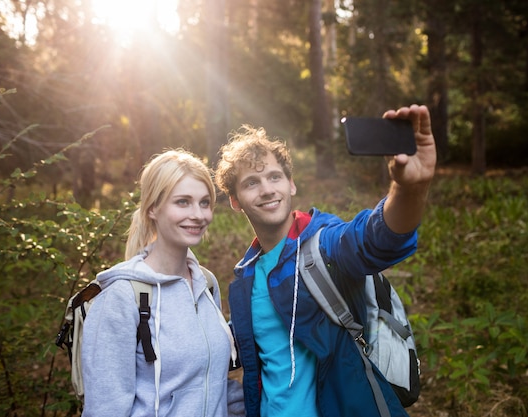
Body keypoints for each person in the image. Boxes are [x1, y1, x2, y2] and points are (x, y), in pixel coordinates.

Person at [214, 104, 436, 417]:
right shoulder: (245, 279)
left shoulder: (323, 243)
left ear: (291, 185)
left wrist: (409, 187)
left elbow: (375, 240)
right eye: (252, 182)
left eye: (275, 177)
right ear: (235, 201)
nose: (267, 190)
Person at [81, 149, 245, 417]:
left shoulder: (207, 284)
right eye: (182, 202)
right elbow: (104, 409)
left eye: (205, 203)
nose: (198, 214)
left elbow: (208, 384)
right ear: (153, 208)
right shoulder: (122, 297)